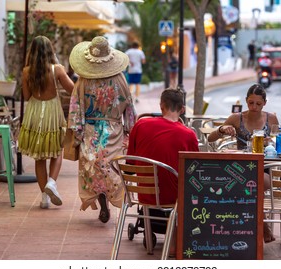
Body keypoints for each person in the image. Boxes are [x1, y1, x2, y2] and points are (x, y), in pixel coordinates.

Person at [68, 36, 137, 223]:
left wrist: (77, 131)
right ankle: (110, 199)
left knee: (94, 169)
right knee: (111, 168)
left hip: (91, 131)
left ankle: (102, 202)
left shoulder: (83, 81)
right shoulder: (120, 79)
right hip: (113, 130)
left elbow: (76, 107)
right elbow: (129, 106)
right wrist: (130, 129)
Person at [207, 83, 279, 243]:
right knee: (250, 184)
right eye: (251, 103)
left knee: (256, 183)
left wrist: (270, 142)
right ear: (246, 101)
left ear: (265, 103)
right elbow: (210, 139)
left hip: (264, 167)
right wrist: (222, 129)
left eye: (258, 104)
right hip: (240, 168)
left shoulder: (271, 118)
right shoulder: (236, 118)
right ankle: (261, 226)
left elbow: (278, 143)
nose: (254, 107)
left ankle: (256, 225)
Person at [18, 35, 74, 209]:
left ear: (32, 52)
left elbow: (26, 96)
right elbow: (72, 89)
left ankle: (44, 197)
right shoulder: (57, 69)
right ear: (50, 50)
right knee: (57, 151)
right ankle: (51, 182)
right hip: (52, 112)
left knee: (39, 157)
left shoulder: (27, 71)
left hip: (34, 112)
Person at [126, 88, 199, 205]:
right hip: (174, 200)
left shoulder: (141, 124)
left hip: (144, 197)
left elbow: (129, 168)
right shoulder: (189, 135)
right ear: (182, 109)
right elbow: (194, 171)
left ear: (161, 106)